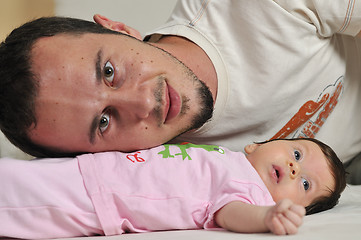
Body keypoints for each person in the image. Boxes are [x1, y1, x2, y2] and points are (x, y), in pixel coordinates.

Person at [0, 1, 360, 181]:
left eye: (109, 72)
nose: (144, 103)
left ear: (119, 29)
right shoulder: (159, 176)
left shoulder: (258, 8)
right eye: (104, 122)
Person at [0, 138, 346, 238]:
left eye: (304, 183)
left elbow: (229, 214)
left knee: (14, 201)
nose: (292, 167)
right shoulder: (228, 154)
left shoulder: (250, 191)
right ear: (256, 145)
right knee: (13, 174)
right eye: (297, 153)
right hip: (94, 167)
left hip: (101, 200)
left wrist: (268, 216)